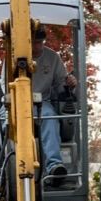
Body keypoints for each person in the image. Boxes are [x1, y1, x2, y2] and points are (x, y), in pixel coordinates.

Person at [31, 26, 77, 186]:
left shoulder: (52, 58)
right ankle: (5, 166)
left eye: (40, 42)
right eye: (34, 42)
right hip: (14, 101)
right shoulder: (13, 55)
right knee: (5, 120)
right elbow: (4, 83)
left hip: (41, 102)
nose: (37, 47)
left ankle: (54, 166)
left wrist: (69, 85)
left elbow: (60, 85)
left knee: (50, 117)